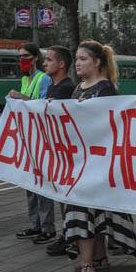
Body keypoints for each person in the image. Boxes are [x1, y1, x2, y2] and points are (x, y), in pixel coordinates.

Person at [63, 40, 136, 272]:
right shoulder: (79, 88)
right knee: (89, 209)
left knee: (86, 209)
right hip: (80, 160)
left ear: (97, 62)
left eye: (83, 59)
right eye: (76, 59)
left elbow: (106, 126)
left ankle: (87, 262)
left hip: (96, 163)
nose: (77, 63)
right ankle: (98, 256)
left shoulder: (105, 89)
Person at [11, 41, 56, 243]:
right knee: (29, 183)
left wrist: (21, 98)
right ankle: (34, 225)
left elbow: (45, 106)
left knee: (42, 184)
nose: (22, 61)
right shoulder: (24, 79)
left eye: (25, 57)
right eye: (19, 57)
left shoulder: (43, 79)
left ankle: (47, 227)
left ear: (35, 58)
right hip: (28, 137)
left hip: (41, 139)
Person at [41, 45, 77, 255]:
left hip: (65, 153)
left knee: (65, 197)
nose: (44, 63)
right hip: (60, 151)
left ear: (61, 64)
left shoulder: (64, 88)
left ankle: (68, 236)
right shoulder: (57, 86)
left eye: (49, 60)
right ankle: (67, 234)